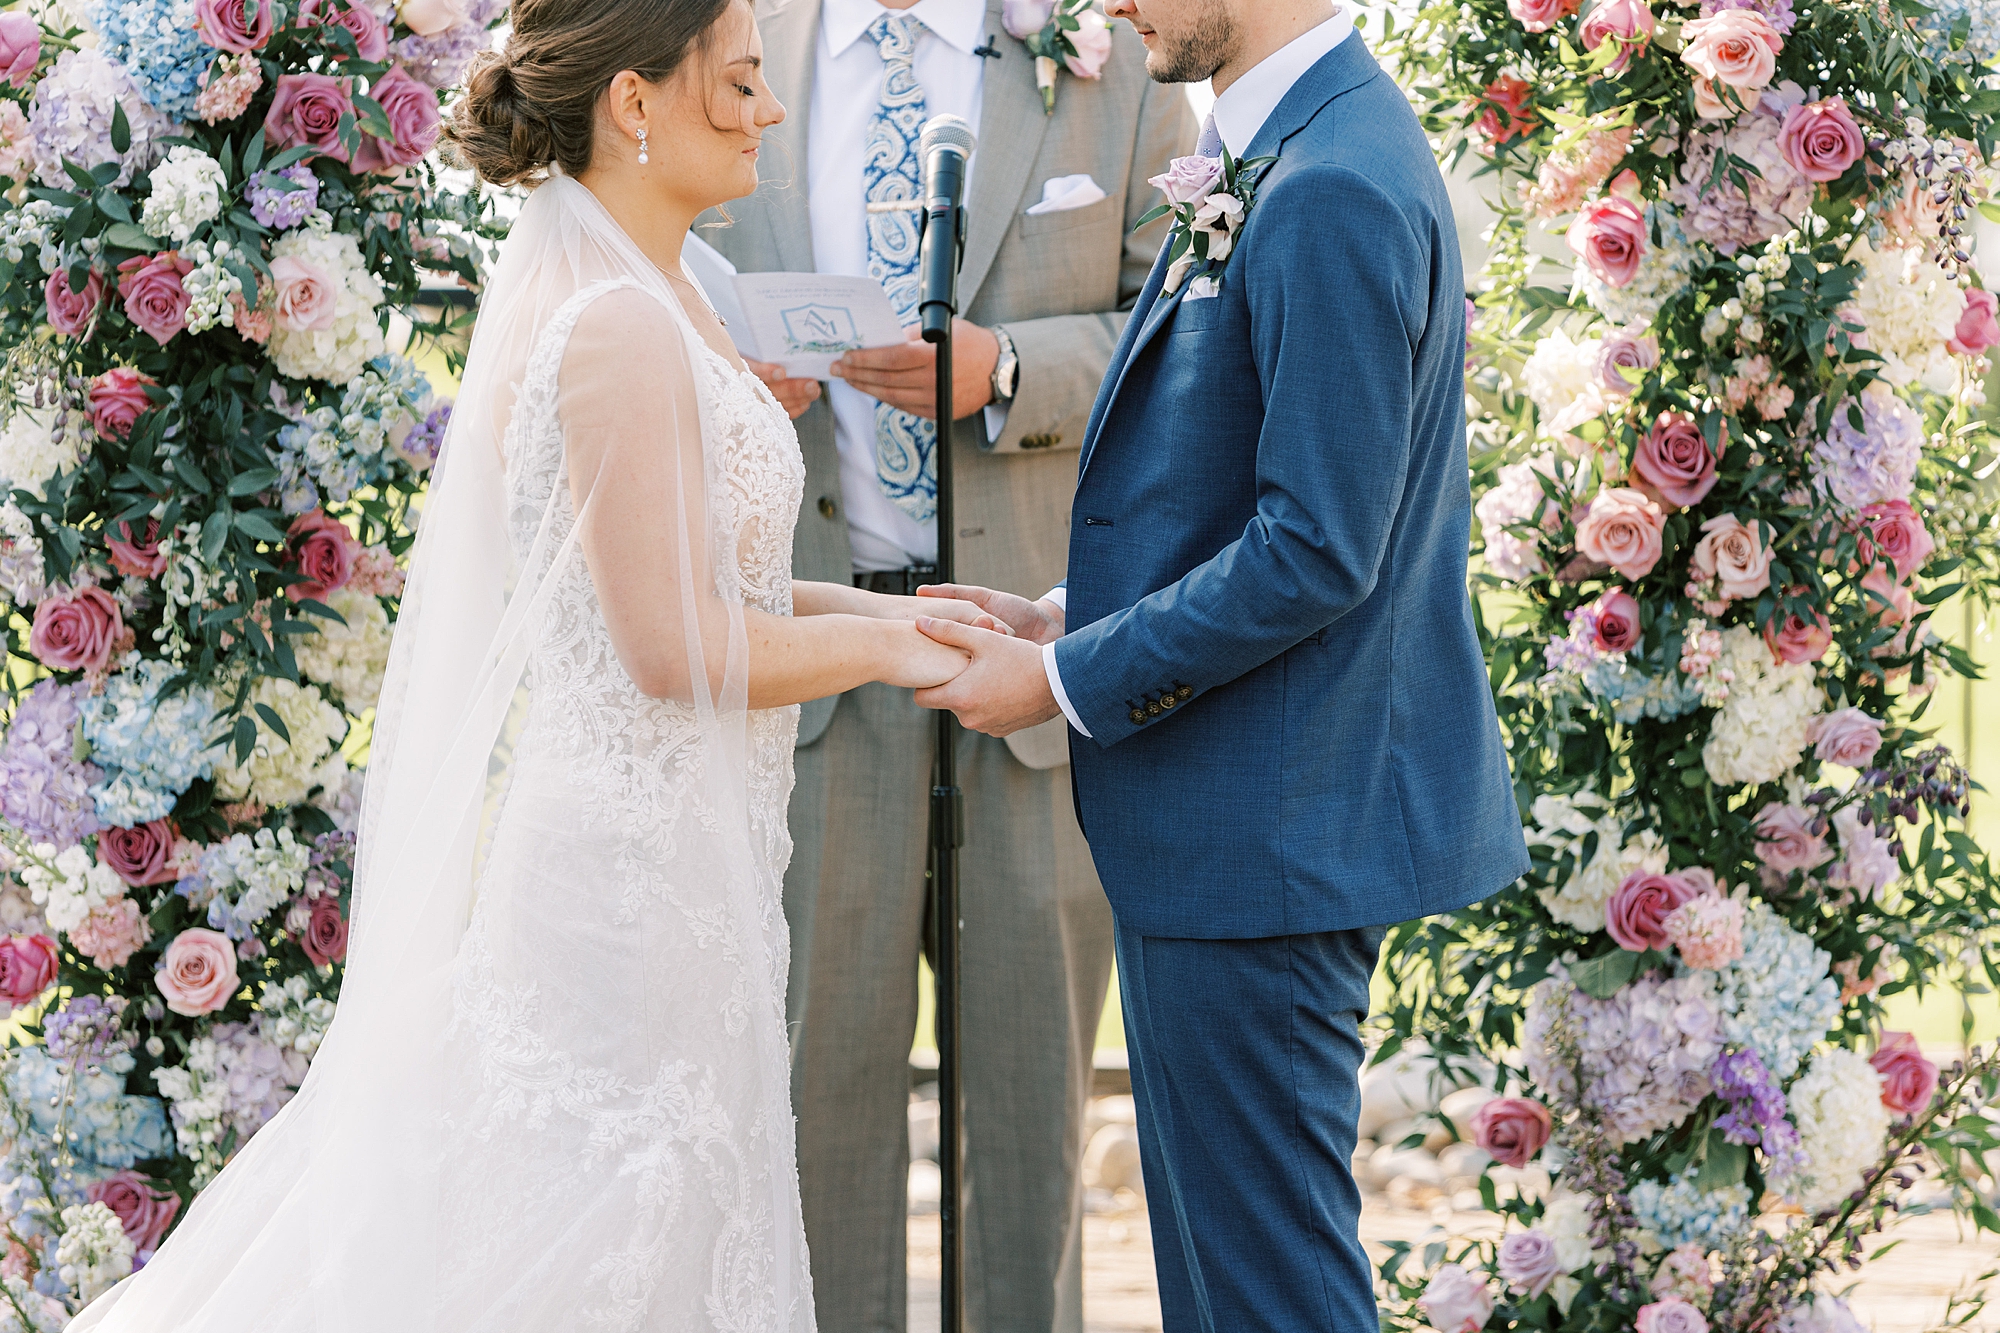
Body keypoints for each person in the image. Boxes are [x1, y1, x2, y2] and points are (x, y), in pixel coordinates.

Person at [68, 0, 1016, 1325]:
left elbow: (711, 583)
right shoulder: (619, 325)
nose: (773, 108)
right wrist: (883, 647)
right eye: (743, 84)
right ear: (636, 104)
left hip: (681, 866)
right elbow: (672, 644)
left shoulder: (659, 290)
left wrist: (908, 615)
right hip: (620, 897)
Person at [910, 0, 1533, 1327]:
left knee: (1272, 1299)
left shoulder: (1332, 184)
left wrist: (1068, 684)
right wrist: (1068, 617)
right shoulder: (1283, 151)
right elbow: (1233, 489)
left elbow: (1316, 548)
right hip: (1229, 830)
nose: (1113, 7)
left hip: (1269, 836)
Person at [701, 0, 1193, 1327]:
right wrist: (726, 376)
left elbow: (1200, 330)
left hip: (1029, 658)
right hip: (812, 667)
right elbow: (637, 297)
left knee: (1030, 1130)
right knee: (813, 1120)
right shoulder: (722, 48)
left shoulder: (1116, 51)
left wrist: (1012, 367)